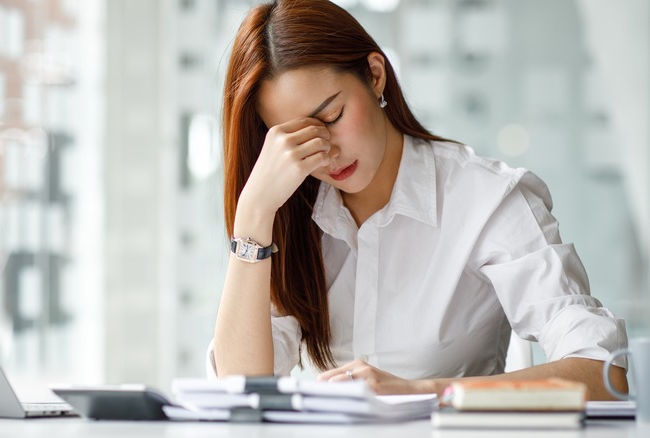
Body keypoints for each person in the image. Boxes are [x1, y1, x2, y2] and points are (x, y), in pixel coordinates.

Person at [209, 0, 628, 399]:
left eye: (332, 118)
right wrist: (253, 215)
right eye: (296, 141)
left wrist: (422, 392)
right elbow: (241, 391)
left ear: (375, 75)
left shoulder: (484, 198)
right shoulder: (290, 215)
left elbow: (603, 372)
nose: (326, 152)